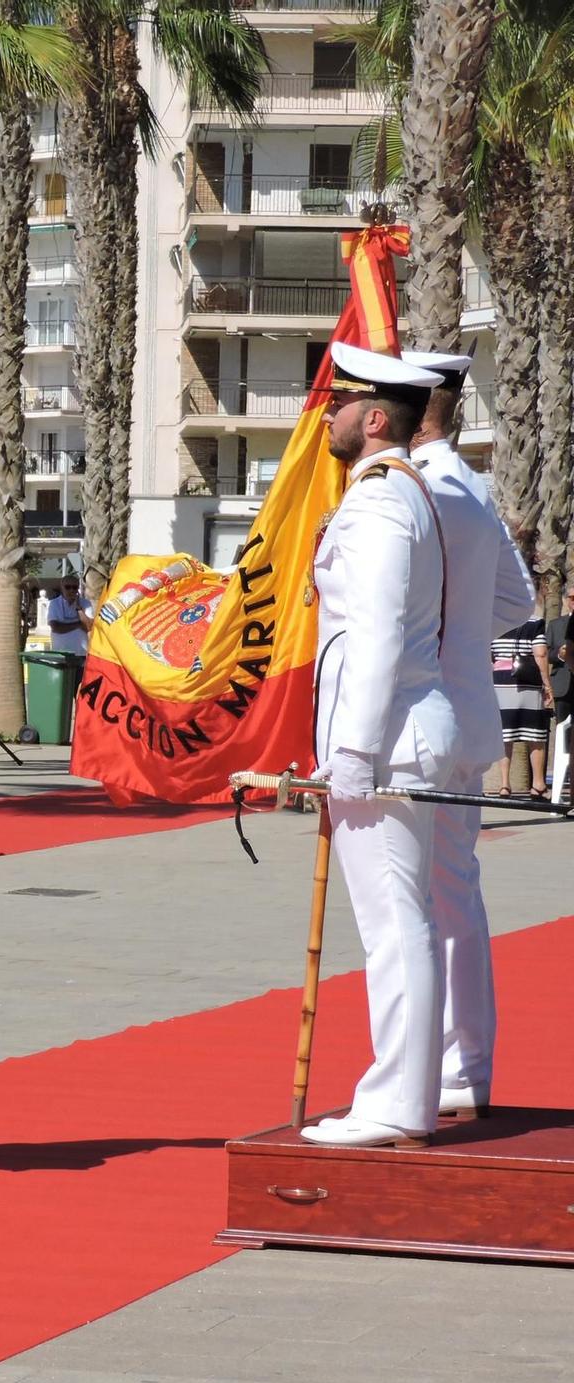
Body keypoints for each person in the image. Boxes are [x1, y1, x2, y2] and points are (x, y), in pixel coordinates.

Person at [300, 343, 455, 1149]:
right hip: (396, 737)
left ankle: (397, 1102)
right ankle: (402, 1096)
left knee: (396, 927)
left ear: (371, 419)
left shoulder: (379, 505)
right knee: (404, 923)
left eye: (335, 407)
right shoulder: (392, 494)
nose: (324, 419)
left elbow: (378, 638)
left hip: (387, 744)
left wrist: (351, 755)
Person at [402, 348, 538, 1120]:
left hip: (422, 719)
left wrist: (436, 636)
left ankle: (436, 1070)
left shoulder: (421, 487)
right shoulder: (473, 486)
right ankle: (466, 1067)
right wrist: (458, 638)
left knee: (414, 901)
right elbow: (516, 601)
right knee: (455, 894)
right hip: (466, 713)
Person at [490, 615, 551, 797]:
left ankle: (504, 784)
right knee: (535, 735)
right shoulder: (535, 622)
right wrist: (547, 684)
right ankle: (538, 784)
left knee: (505, 735)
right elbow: (540, 653)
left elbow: (488, 653)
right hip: (529, 681)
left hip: (500, 680)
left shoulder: (495, 618)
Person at [546, 584, 573, 806]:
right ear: (565, 600)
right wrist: (560, 654)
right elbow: (547, 654)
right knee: (564, 735)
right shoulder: (555, 625)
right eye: (572, 597)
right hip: (563, 687)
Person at [45, 576, 92, 659]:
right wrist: (78, 625)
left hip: (81, 654)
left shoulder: (85, 603)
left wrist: (79, 609)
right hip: (61, 654)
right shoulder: (54, 603)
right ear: (62, 588)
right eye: (68, 587)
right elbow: (56, 627)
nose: (71, 590)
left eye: (74, 587)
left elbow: (89, 626)